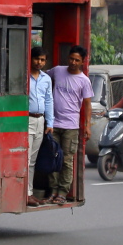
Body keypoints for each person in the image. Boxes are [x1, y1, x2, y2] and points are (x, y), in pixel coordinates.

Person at [47, 45, 93, 205]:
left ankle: (62, 191)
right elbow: (43, 78)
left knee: (66, 160)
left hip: (71, 126)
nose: (73, 62)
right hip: (53, 123)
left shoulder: (84, 81)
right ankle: (52, 190)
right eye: (71, 59)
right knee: (52, 157)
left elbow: (87, 105)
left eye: (77, 60)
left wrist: (87, 126)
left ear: (82, 62)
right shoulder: (57, 71)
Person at [26, 47, 54, 206]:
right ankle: (25, 193)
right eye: (37, 59)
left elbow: (49, 100)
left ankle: (29, 192)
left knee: (32, 161)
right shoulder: (25, 76)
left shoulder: (46, 78)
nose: (39, 62)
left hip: (40, 121)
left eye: (43, 60)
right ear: (31, 59)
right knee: (26, 158)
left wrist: (50, 122)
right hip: (27, 120)